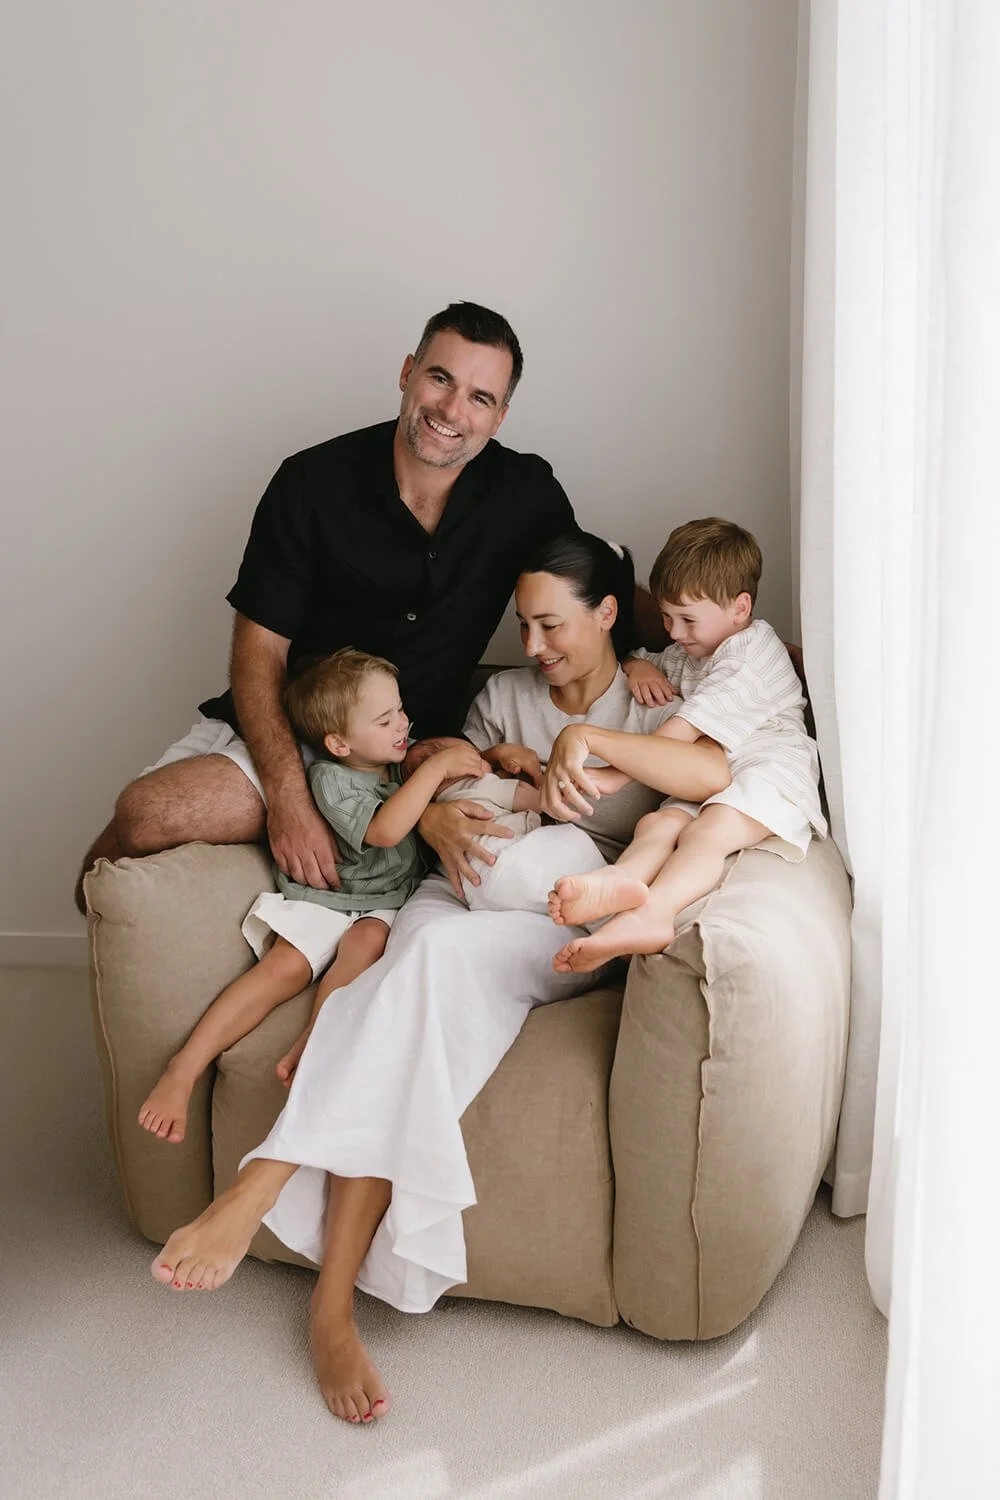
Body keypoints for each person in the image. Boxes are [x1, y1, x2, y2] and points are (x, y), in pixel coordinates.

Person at [146, 532, 729, 1426]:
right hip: (456, 888)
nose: (533, 647)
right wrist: (454, 817)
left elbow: (715, 766)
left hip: (556, 912)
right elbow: (448, 792)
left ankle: (267, 1186)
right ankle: (330, 1307)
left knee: (438, 962)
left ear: (608, 612)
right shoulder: (502, 696)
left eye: (552, 625)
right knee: (409, 964)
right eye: (523, 624)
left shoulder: (659, 697)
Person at [78, 301, 658, 914]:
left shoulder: (525, 494)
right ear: (408, 372)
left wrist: (721, 636)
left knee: (142, 821)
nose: (452, 411)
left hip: (405, 752)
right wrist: (290, 798)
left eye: (480, 398)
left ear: (500, 415)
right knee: (141, 820)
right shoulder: (309, 483)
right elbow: (260, 647)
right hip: (294, 726)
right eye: (440, 378)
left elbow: (593, 582)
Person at [137, 647, 490, 1144]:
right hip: (326, 896)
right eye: (385, 718)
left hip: (385, 903)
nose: (402, 723)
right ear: (339, 743)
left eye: (401, 710)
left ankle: (316, 1041)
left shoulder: (396, 768)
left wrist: (486, 759)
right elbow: (386, 830)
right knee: (282, 967)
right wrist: (434, 771)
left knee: (366, 945)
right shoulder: (330, 778)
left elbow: (463, 781)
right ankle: (184, 1067)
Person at [545, 517, 827, 971]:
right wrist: (639, 666)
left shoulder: (752, 652)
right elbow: (645, 658)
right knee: (657, 824)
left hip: (770, 768)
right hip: (716, 773)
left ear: (740, 609)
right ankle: (619, 880)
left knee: (706, 832)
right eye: (666, 617)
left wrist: (614, 775)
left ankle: (655, 913)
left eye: (687, 619)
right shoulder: (691, 649)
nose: (674, 632)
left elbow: (678, 733)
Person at [403, 734, 606, 915]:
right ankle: (604, 910)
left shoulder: (442, 804)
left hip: (476, 889)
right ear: (464, 767)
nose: (485, 760)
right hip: (510, 861)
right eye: (476, 755)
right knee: (574, 842)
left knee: (549, 901)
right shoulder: (483, 785)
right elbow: (541, 801)